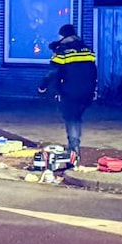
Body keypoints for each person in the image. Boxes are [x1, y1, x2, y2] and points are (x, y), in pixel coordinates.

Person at [37, 24, 97, 166]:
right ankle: (74, 149)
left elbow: (53, 72)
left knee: (71, 118)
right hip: (87, 91)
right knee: (76, 117)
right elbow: (93, 71)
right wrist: (93, 89)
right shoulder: (87, 50)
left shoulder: (63, 52)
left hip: (70, 91)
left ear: (63, 36)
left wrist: (43, 86)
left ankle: (74, 152)